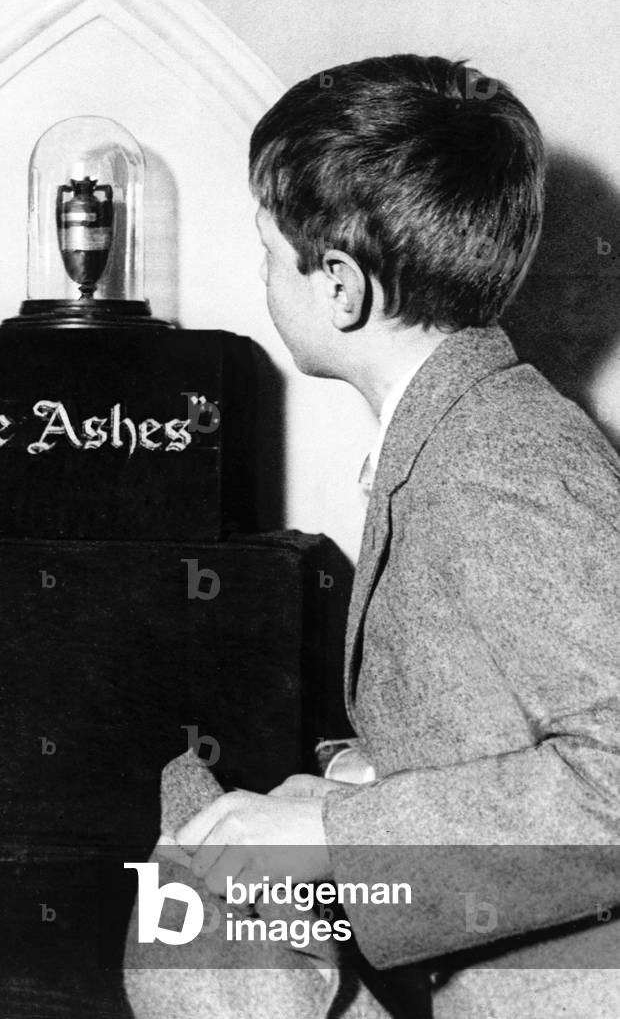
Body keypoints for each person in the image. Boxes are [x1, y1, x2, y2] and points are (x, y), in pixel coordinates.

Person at [123, 54, 620, 1018]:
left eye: (271, 252)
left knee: (190, 933)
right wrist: (372, 773)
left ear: (341, 287)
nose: (264, 273)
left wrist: (332, 839)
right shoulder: (462, 434)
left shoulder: (499, 462)